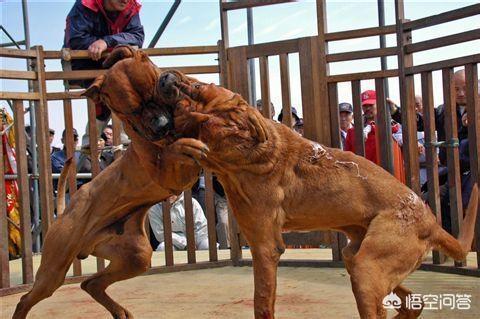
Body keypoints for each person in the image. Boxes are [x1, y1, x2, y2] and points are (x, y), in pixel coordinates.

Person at [63, 0, 144, 146]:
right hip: (83, 63)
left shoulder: (130, 7)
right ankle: (100, 137)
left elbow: (138, 37)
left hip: (113, 64)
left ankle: (115, 136)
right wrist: (106, 45)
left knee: (134, 84)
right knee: (112, 88)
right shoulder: (85, 5)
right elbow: (76, 40)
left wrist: (107, 42)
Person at [344, 90, 405, 183]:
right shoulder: (353, 132)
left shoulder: (393, 127)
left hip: (390, 178)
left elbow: (407, 131)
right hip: (363, 180)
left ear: (379, 104)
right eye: (364, 105)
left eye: (371, 105)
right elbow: (347, 158)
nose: (367, 108)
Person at [1, 108, 21, 259]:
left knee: (11, 210)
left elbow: (12, 143)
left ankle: (12, 249)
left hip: (5, 173)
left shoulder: (3, 115)